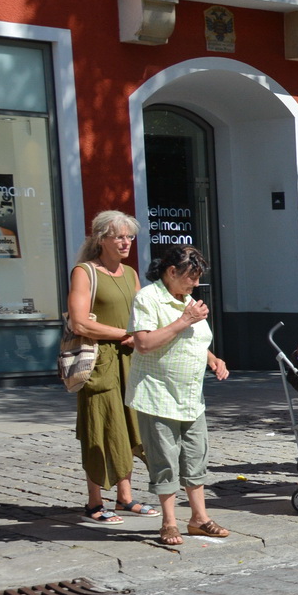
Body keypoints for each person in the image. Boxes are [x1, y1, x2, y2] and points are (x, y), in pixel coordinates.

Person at [124, 244, 229, 547]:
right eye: (191, 277)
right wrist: (185, 320)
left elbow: (195, 339)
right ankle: (169, 521)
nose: (196, 284)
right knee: (165, 460)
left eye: (197, 278)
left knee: (196, 456)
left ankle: (199, 518)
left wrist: (212, 359)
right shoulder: (148, 298)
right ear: (171, 272)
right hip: (157, 394)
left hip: (190, 397)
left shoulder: (187, 300)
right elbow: (143, 343)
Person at [68, 211, 150, 524]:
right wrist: (124, 335)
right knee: (100, 429)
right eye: (119, 236)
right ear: (101, 239)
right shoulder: (85, 272)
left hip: (130, 361)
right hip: (99, 363)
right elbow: (79, 323)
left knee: (128, 427)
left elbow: (142, 314)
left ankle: (126, 497)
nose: (126, 242)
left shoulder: (130, 274)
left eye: (129, 236)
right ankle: (94, 502)